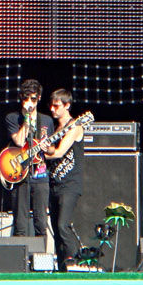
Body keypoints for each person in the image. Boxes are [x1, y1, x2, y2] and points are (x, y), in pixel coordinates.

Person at [5, 79, 54, 237]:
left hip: (41, 176)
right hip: (21, 176)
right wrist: (26, 120)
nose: (29, 102)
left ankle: (42, 260)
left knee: (41, 222)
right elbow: (19, 141)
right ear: (21, 98)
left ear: (39, 98)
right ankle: (21, 260)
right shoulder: (13, 118)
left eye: (33, 98)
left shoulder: (46, 121)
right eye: (26, 98)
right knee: (20, 223)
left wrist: (48, 148)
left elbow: (52, 150)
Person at [43, 89, 85, 271]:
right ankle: (62, 268)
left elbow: (59, 152)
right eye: (51, 105)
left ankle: (75, 263)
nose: (52, 109)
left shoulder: (74, 126)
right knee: (55, 230)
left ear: (67, 105)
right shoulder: (55, 129)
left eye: (57, 105)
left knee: (63, 225)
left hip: (70, 184)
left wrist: (45, 150)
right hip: (54, 184)